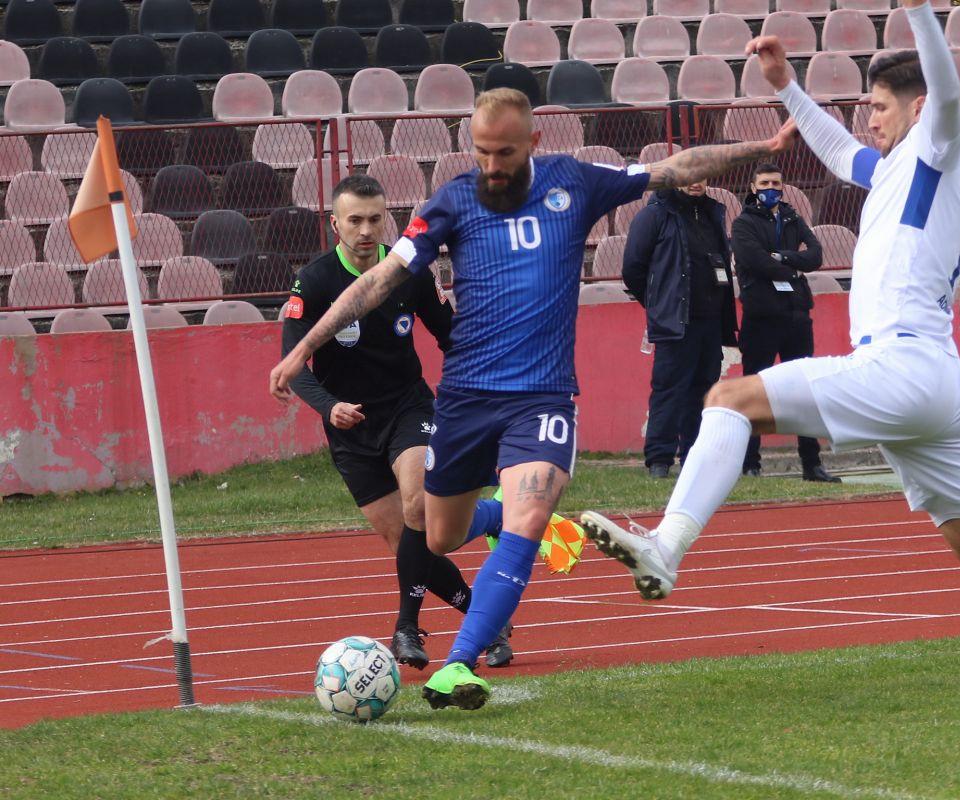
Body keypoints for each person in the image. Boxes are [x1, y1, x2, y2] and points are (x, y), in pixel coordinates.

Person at [580, 0, 960, 688]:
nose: (870, 117)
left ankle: (666, 548)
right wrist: (786, 87)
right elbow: (838, 152)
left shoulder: (942, 145)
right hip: (934, 383)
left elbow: (946, 91)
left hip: (905, 365)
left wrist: (921, 13)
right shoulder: (899, 168)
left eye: (880, 105)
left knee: (729, 396)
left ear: (917, 109)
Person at [269, 88, 799, 710]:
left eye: (505, 152)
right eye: (482, 151)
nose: (492, 165)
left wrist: (758, 148)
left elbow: (673, 170)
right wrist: (304, 346)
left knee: (530, 515)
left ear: (533, 144)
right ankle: (494, 521)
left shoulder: (574, 183)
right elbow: (382, 278)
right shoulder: (453, 202)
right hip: (466, 398)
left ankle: (458, 664)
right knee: (439, 535)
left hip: (543, 395)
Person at [281, 175, 516, 671]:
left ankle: (406, 627)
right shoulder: (316, 280)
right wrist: (329, 407)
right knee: (409, 545)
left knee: (417, 508)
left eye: (375, 219)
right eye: (355, 220)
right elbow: (294, 363)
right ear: (334, 223)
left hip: (410, 409)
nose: (366, 230)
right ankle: (488, 620)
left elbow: (450, 335)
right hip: (350, 428)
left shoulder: (410, 271)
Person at [622, 178, 738, 479]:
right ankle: (659, 460)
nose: (697, 182)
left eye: (704, 176)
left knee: (704, 390)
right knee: (669, 390)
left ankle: (695, 456)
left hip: (711, 320)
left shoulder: (712, 212)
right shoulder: (655, 214)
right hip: (677, 321)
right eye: (691, 176)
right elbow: (632, 267)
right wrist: (660, 303)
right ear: (677, 177)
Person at [732, 162, 838, 483]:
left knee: (804, 393)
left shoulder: (792, 217)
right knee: (755, 391)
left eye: (776, 183)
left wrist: (782, 257)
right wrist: (791, 264)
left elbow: (816, 254)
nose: (771, 188)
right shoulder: (743, 224)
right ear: (753, 187)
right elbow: (754, 261)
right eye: (764, 183)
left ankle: (811, 464)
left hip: (796, 315)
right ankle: (750, 463)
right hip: (761, 318)